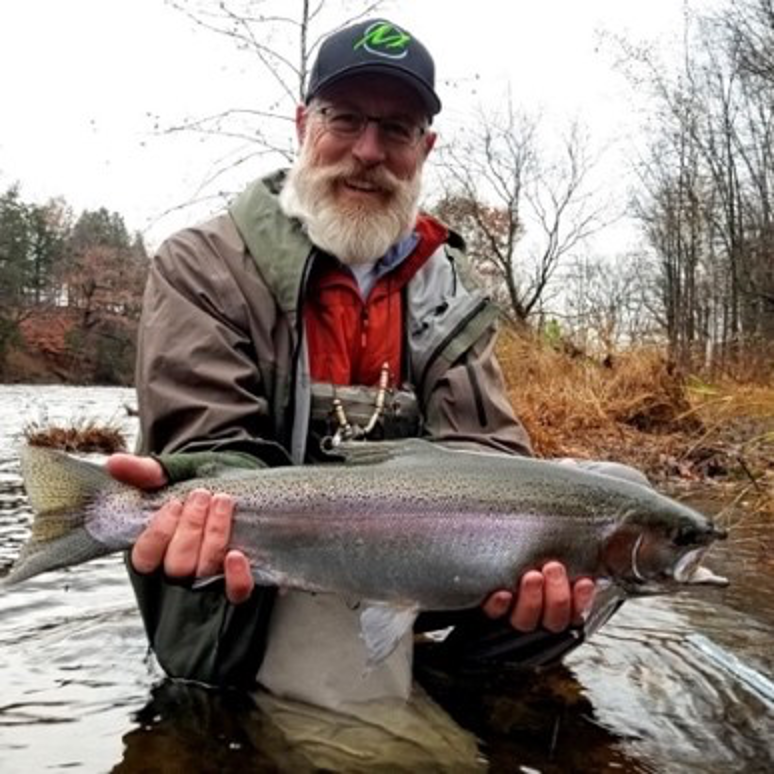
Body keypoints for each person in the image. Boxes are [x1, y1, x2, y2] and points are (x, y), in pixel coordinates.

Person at [107, 18, 601, 699]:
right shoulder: (203, 265)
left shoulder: (446, 288)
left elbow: (489, 456)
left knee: (607, 506)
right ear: (303, 123)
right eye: (345, 119)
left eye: (396, 129)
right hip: (267, 581)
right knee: (394, 762)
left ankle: (467, 689)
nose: (368, 150)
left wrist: (536, 548)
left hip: (426, 570)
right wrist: (192, 491)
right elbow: (213, 446)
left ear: (425, 148)